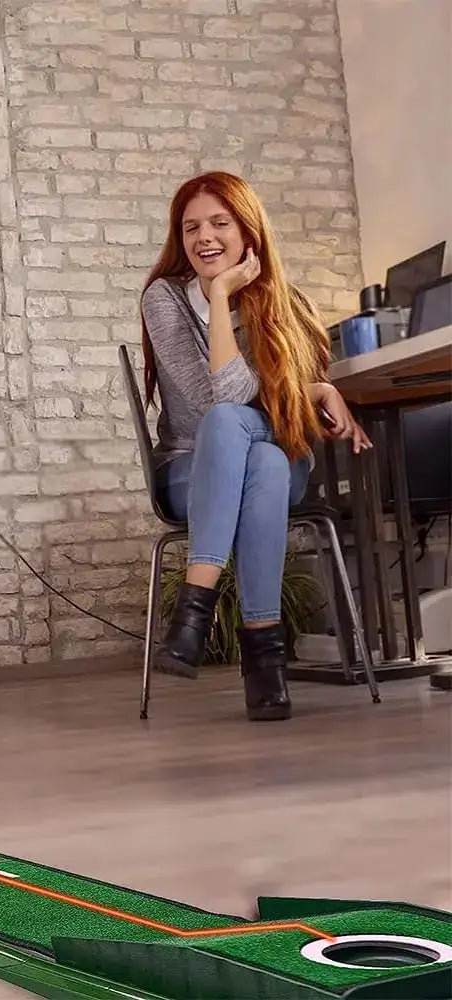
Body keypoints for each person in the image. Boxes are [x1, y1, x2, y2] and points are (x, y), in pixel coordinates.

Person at [139, 171, 370, 722]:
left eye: (220, 223)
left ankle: (195, 611)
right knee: (246, 444)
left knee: (252, 440)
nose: (204, 237)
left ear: (248, 231)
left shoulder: (284, 302)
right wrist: (218, 297)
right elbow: (218, 397)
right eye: (191, 227)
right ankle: (265, 661)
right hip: (190, 470)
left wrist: (316, 386)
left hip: (280, 449)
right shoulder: (164, 300)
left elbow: (243, 400)